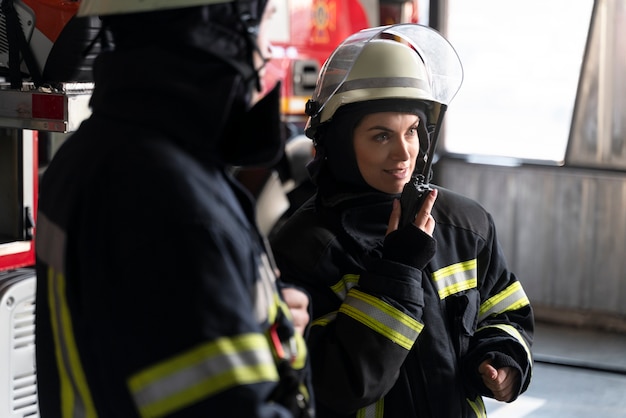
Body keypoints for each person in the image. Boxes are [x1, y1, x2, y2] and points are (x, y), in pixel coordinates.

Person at [34, 0, 314, 417]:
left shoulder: (98, 152)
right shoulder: (172, 201)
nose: (270, 51)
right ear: (217, 31)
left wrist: (263, 317)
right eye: (265, 24)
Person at [270, 23, 534, 417]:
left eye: (412, 131)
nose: (403, 154)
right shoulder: (305, 247)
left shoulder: (465, 225)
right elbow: (335, 383)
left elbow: (505, 311)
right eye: (380, 136)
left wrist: (503, 360)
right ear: (341, 141)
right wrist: (396, 272)